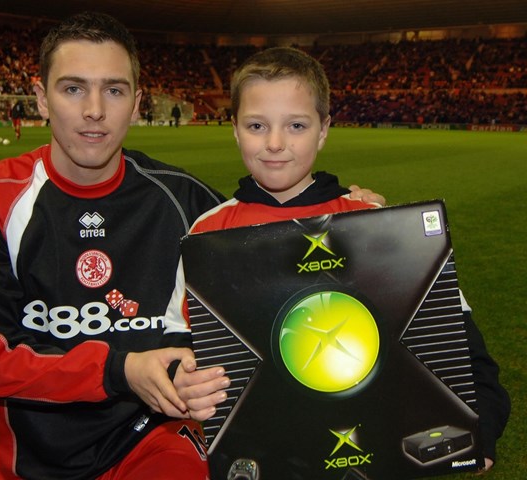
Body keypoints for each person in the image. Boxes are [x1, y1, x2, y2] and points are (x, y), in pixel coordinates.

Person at [0, 13, 384, 479]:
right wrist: (121, 370)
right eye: (73, 89)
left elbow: (274, 247)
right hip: (42, 457)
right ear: (40, 98)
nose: (94, 109)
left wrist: (354, 219)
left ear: (136, 103)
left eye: (113, 90)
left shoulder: (185, 200)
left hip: (156, 432)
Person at [178, 46, 510, 472]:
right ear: (235, 130)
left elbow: (462, 348)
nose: (275, 143)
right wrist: (180, 381)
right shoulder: (207, 235)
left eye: (296, 125)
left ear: (323, 130)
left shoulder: (374, 224)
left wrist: (480, 435)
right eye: (257, 125)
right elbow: (175, 352)